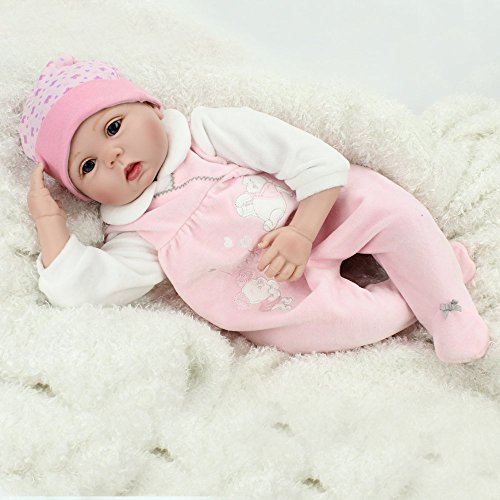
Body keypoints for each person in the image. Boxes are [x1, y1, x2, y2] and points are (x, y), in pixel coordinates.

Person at [20, 55, 491, 364]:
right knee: (339, 325)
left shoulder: (208, 134)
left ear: (151, 108)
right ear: (85, 194)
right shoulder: (135, 231)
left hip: (318, 211)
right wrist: (49, 220)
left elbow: (311, 158)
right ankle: (425, 286)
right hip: (277, 295)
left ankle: (448, 309)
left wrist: (302, 231)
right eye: (87, 166)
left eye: (113, 127)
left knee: (390, 208)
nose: (112, 155)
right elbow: (88, 289)